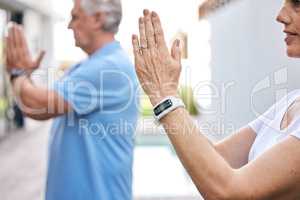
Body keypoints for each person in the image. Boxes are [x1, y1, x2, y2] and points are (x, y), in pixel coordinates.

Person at [132, 1, 300, 199]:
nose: (280, 15)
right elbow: (217, 159)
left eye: (296, 3)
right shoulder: (292, 101)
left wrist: (164, 96)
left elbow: (227, 192)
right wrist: (167, 92)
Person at [5, 0, 139, 199]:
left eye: (75, 16)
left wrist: (17, 73)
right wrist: (24, 77)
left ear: (97, 19)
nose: (69, 25)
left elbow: (36, 104)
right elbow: (39, 105)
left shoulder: (107, 68)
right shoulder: (92, 66)